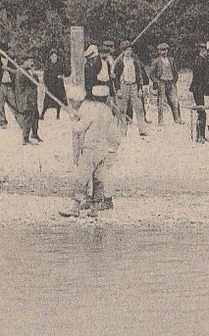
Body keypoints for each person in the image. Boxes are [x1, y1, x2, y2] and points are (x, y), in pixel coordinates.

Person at [62, 84, 122, 216]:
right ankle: (95, 209)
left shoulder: (92, 110)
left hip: (91, 149)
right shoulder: (108, 112)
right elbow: (115, 135)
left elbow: (79, 128)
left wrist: (73, 119)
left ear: (93, 97)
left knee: (82, 177)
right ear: (106, 98)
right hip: (104, 151)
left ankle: (75, 208)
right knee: (99, 179)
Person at [113, 41, 149, 136]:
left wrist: (140, 88)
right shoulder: (119, 62)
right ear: (123, 51)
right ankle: (122, 130)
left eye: (129, 50)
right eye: (126, 50)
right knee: (122, 109)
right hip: (123, 85)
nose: (128, 52)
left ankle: (142, 130)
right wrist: (118, 89)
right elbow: (115, 77)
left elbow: (139, 76)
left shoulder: (135, 61)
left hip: (134, 86)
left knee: (139, 108)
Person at [149, 43, 181, 125]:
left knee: (175, 101)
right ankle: (160, 120)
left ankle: (177, 119)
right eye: (162, 50)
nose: (164, 52)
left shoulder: (171, 60)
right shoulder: (156, 61)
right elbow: (151, 74)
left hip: (171, 82)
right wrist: (157, 82)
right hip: (162, 82)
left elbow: (175, 71)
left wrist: (174, 80)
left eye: (165, 50)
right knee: (161, 102)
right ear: (159, 51)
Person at [12, 59, 42, 144]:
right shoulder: (22, 72)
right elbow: (34, 82)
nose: (31, 63)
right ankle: (25, 138)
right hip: (26, 99)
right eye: (29, 61)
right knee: (27, 118)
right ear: (24, 62)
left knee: (35, 115)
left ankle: (35, 134)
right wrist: (33, 73)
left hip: (31, 98)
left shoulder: (26, 71)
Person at [43, 50, 68, 118]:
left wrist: (62, 75)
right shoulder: (48, 65)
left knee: (59, 99)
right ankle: (42, 114)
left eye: (55, 56)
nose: (54, 58)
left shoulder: (60, 64)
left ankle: (58, 115)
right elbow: (45, 76)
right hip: (50, 85)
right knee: (47, 100)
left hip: (58, 85)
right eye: (53, 56)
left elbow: (67, 72)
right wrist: (46, 85)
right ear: (50, 57)